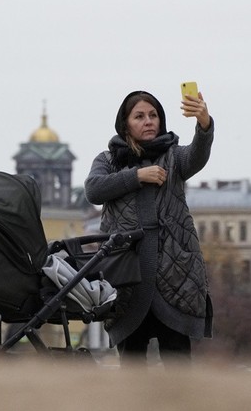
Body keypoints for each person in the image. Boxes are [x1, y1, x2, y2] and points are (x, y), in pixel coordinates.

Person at [84, 89, 214, 367]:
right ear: (125, 123)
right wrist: (136, 176)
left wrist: (204, 124)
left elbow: (197, 156)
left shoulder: (174, 157)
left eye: (153, 115)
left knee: (178, 361)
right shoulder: (107, 160)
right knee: (132, 364)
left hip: (174, 272)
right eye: (139, 116)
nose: (148, 121)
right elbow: (94, 191)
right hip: (127, 277)